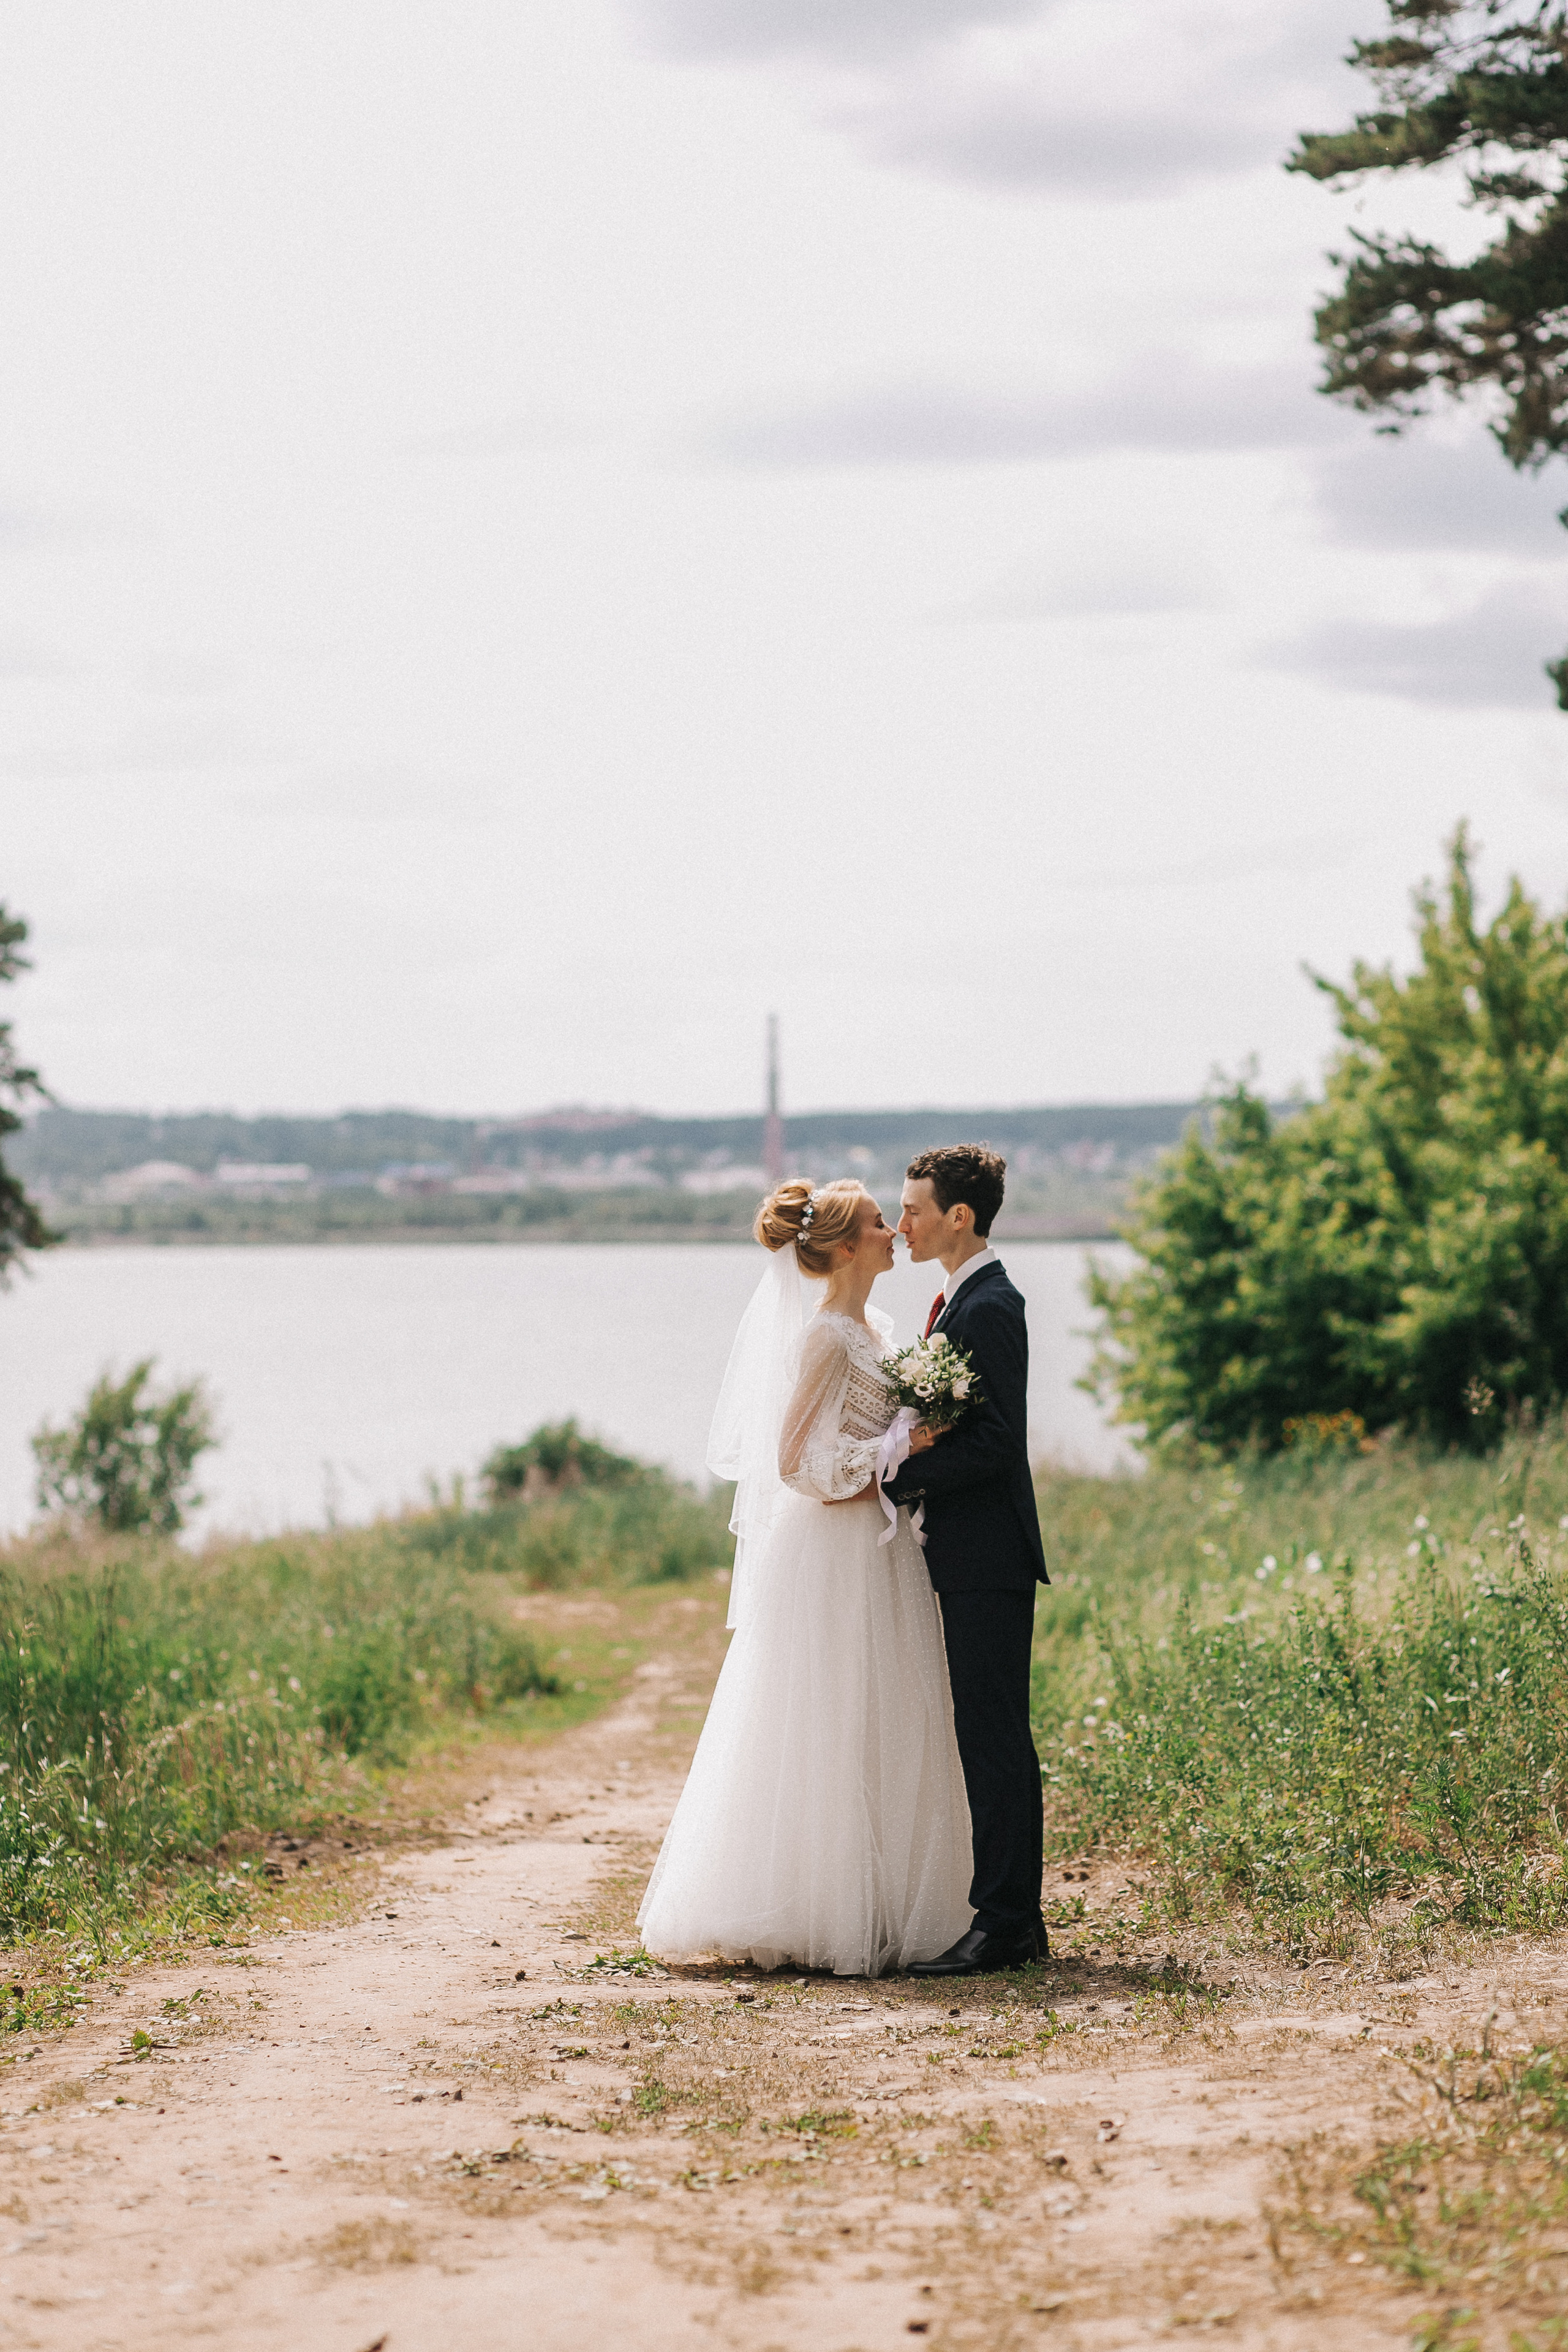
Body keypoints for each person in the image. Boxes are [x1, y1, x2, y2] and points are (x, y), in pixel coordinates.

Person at [638, 1178, 973, 1977]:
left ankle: (889, 1896)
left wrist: (914, 1437)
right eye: (877, 1223)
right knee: (826, 1716)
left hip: (882, 1543)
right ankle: (815, 1903)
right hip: (832, 1548)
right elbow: (793, 1461)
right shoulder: (826, 1337)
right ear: (849, 1246)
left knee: (888, 1711)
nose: (895, 1230)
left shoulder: (878, 1327)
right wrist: (894, 1457)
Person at [879, 1144, 1050, 1977]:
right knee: (987, 1733)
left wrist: (896, 1481)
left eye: (912, 1210)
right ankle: (1013, 1917)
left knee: (993, 1738)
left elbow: (994, 1443)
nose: (899, 1224)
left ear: (958, 1216)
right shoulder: (961, 1298)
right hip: (970, 1552)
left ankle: (1006, 1925)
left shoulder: (990, 1305)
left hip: (988, 1554)